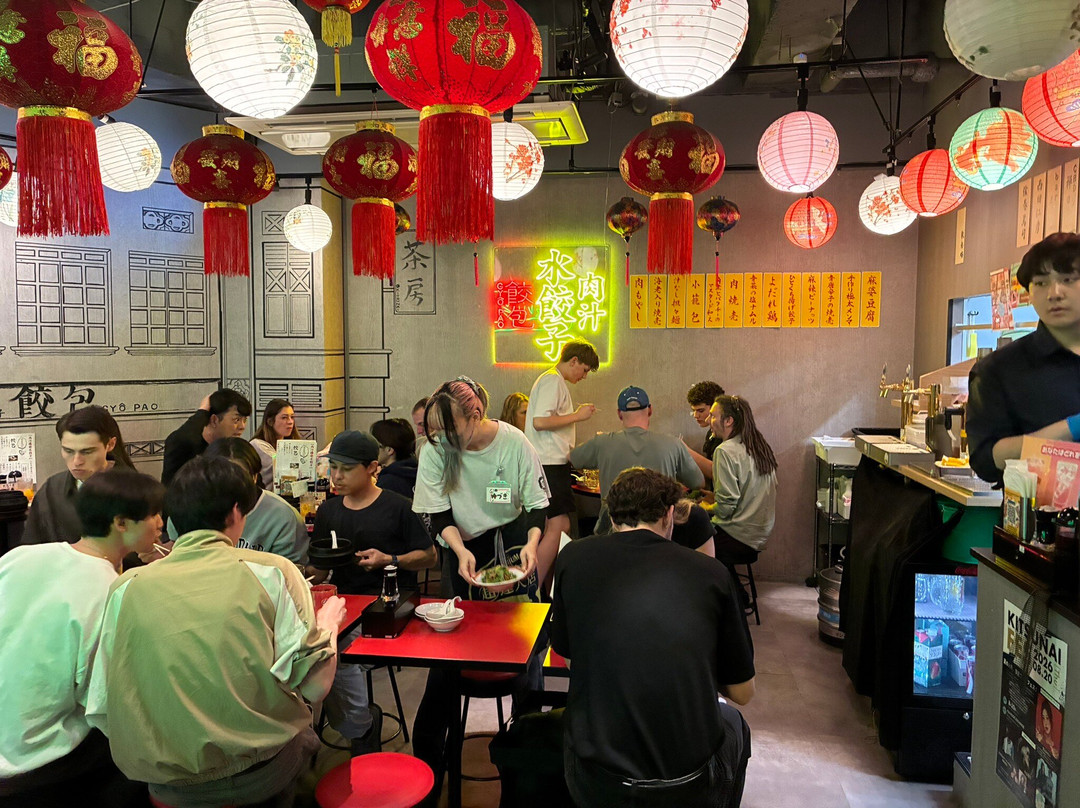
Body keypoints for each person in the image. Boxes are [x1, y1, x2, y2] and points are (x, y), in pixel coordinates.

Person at [86, 456, 347, 808]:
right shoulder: (273, 571)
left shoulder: (126, 586)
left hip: (163, 787)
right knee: (306, 741)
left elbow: (102, 706)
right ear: (236, 512)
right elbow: (315, 687)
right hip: (257, 778)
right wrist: (329, 624)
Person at [551, 467, 755, 808]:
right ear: (669, 515)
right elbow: (743, 693)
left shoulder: (572, 557)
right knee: (735, 724)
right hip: (687, 785)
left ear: (612, 518)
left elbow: (570, 659)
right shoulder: (712, 572)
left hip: (596, 782)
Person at [410, 377, 550, 796]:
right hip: (463, 546)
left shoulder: (513, 443)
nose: (441, 440)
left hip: (513, 541)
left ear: (476, 414)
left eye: (449, 430)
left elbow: (537, 506)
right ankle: (428, 771)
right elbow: (436, 513)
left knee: (525, 648)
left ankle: (529, 761)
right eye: (435, 432)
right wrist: (458, 550)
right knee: (450, 652)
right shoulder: (435, 449)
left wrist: (532, 545)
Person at [0, 469, 164, 808]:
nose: (161, 524)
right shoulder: (112, 590)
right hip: (40, 759)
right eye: (154, 515)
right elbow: (104, 704)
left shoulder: (21, 556)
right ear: (121, 523)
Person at [313, 430, 436, 755]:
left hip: (389, 606)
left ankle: (360, 727)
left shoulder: (398, 507)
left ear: (372, 468)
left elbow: (429, 556)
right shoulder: (328, 511)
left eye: (346, 469)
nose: (336, 476)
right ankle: (333, 727)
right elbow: (320, 569)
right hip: (345, 604)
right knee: (305, 648)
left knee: (336, 654)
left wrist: (389, 559)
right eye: (333, 467)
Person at [968, 232, 1080, 483]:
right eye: (1040, 283)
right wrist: (1069, 430)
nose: (1054, 293)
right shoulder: (998, 369)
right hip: (1038, 507)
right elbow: (985, 461)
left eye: (1068, 279)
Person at [523, 340, 598, 593]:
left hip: (550, 463)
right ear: (574, 360)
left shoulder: (553, 381)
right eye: (584, 370)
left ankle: (545, 591)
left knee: (551, 527)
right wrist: (578, 415)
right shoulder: (552, 380)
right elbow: (540, 422)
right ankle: (531, 586)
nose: (584, 376)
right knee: (560, 525)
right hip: (549, 464)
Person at [165, 438, 309, 565]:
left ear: (255, 476)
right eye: (219, 477)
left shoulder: (283, 517)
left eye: (239, 477)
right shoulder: (187, 507)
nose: (229, 486)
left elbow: (291, 571)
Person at [24, 405, 135, 545]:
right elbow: (31, 546)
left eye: (87, 452)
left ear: (110, 444)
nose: (77, 461)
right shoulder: (51, 489)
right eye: (68, 451)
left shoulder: (135, 490)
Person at [569, 385, 704, 500]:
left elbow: (572, 458)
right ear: (650, 410)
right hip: (659, 522)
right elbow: (698, 482)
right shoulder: (673, 444)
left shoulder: (601, 442)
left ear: (619, 414)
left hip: (613, 521)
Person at [708, 395, 778, 591]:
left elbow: (726, 508)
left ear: (728, 421)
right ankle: (737, 593)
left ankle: (729, 599)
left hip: (739, 537)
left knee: (691, 538)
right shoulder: (759, 446)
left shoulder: (724, 451)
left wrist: (705, 507)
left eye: (713, 416)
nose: (708, 420)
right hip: (759, 534)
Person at [160, 388, 252, 485]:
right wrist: (202, 411)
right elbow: (178, 439)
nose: (242, 426)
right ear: (214, 420)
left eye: (245, 420)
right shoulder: (185, 445)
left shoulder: (235, 449)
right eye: (236, 420)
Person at [250, 398, 301, 488]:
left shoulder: (289, 444)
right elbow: (281, 465)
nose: (290, 422)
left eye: (292, 417)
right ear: (270, 421)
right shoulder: (258, 445)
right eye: (284, 417)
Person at [685, 380, 726, 482]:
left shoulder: (727, 435)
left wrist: (685, 450)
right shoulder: (711, 433)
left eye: (701, 410)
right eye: (693, 410)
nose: (695, 415)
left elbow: (719, 473)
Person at [372, 417, 420, 498]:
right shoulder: (415, 469)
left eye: (375, 445)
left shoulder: (388, 483)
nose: (371, 448)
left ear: (389, 450)